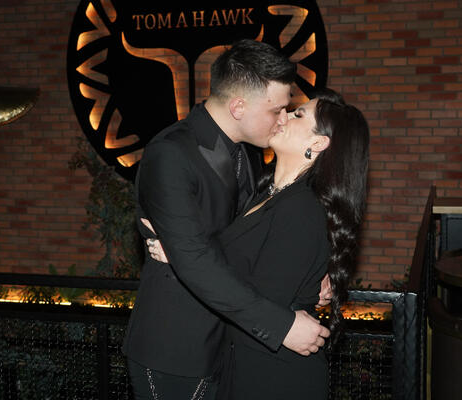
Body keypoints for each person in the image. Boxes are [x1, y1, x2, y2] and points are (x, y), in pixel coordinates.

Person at [123, 39, 330, 399]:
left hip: (228, 345)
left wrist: (314, 279)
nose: (283, 118)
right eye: (277, 110)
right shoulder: (170, 154)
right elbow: (196, 261)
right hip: (176, 351)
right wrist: (281, 326)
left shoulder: (247, 154)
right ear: (238, 107)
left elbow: (245, 243)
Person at [146, 88, 370, 398]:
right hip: (247, 363)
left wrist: (185, 256)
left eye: (298, 114)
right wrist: (186, 249)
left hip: (275, 374)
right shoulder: (265, 193)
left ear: (318, 143)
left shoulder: (302, 208)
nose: (284, 116)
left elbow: (258, 299)